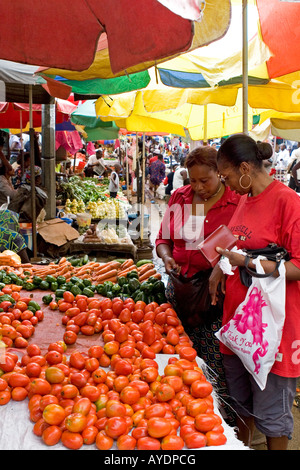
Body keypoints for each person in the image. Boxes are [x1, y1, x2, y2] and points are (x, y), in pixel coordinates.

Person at [210, 133, 300, 450]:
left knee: (273, 413)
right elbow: (235, 241)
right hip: (238, 326)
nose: (227, 184)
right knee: (241, 404)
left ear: (246, 168)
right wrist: (218, 268)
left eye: (228, 176)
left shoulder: (288, 202)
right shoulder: (245, 199)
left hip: (271, 331)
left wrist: (249, 263)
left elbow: (299, 267)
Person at [156, 145, 240, 425]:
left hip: (217, 297)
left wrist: (221, 266)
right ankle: (181, 417)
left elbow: (244, 248)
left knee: (217, 362)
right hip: (180, 289)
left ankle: (221, 421)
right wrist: (167, 258)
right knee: (178, 356)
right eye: (193, 180)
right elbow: (163, 239)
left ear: (221, 174)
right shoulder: (180, 198)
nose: (198, 186)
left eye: (206, 180)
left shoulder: (236, 203)